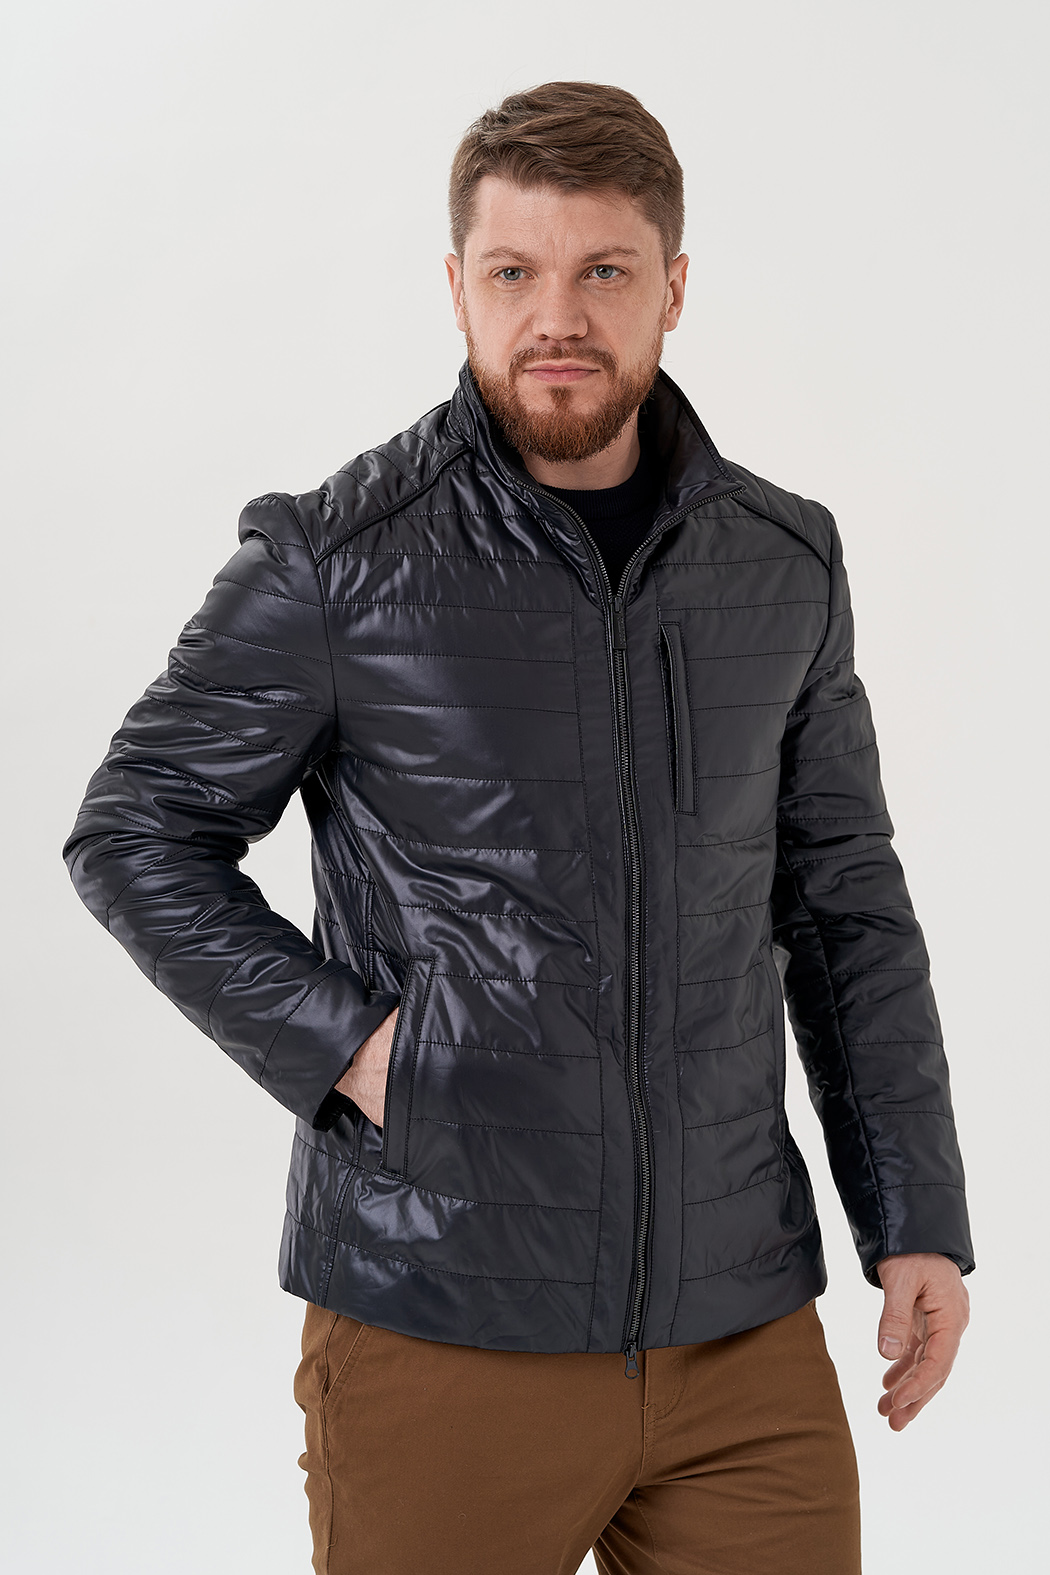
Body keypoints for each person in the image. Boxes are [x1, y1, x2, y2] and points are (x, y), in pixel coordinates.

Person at [63, 80, 974, 1575]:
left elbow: (843, 908)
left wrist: (915, 1213)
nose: (558, 317)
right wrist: (354, 1046)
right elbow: (135, 832)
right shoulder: (337, 559)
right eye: (513, 272)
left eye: (604, 270)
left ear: (673, 287)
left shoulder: (781, 561)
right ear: (457, 288)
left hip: (740, 1334)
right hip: (441, 1317)